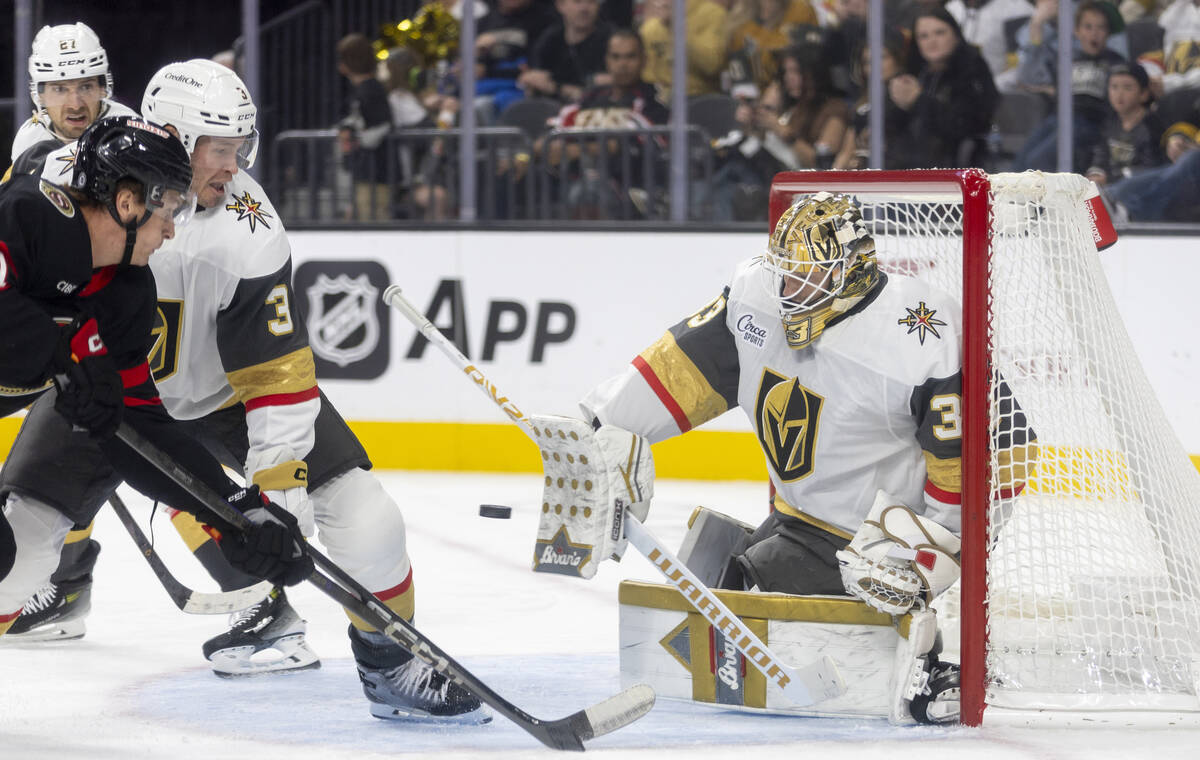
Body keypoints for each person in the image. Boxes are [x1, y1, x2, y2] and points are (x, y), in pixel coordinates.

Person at [10, 60, 488, 722]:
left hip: (214, 398)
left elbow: (275, 381)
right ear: (170, 137)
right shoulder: (70, 181)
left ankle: (393, 662)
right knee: (17, 548)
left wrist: (274, 503)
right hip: (100, 390)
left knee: (367, 517)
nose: (235, 168)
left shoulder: (250, 230)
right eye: (222, 150)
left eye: (241, 148)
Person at [574, 192, 1033, 723]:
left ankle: (925, 660)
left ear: (852, 270)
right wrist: (599, 427)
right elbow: (682, 368)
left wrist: (933, 555)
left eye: (806, 275)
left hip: (870, 546)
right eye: (784, 272)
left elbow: (1004, 448)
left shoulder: (923, 332)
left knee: (747, 601)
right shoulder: (756, 297)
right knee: (721, 576)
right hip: (792, 522)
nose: (788, 290)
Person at [0, 116, 313, 639]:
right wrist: (63, 348)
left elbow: (140, 427)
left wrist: (233, 510)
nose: (171, 228)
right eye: (168, 208)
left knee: (10, 564)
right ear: (128, 202)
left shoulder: (125, 297)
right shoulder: (32, 216)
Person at [1014, 0, 1126, 171]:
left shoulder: (1115, 62)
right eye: (1088, 27)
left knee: (1038, 161)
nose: (1094, 34)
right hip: (1057, 118)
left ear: (1108, 33)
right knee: (1021, 161)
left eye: (1100, 28)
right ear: (1077, 31)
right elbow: (1028, 78)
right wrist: (1037, 26)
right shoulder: (1067, 59)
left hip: (1090, 123)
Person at [8, 22, 137, 166]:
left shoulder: (130, 129)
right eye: (60, 90)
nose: (75, 105)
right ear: (40, 95)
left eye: (86, 87)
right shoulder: (30, 138)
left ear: (103, 88)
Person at [890, 6, 998, 168]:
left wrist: (918, 100)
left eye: (940, 33)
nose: (932, 41)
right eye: (923, 36)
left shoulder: (973, 68)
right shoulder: (917, 73)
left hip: (960, 166)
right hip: (912, 165)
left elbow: (966, 125)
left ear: (955, 34)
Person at [336, 33, 394, 221]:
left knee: (374, 220)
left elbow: (383, 126)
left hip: (376, 172)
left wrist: (356, 138)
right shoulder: (363, 89)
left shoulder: (372, 90)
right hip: (366, 170)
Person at [1085, 62, 1164, 186]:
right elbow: (1100, 155)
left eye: (1127, 88)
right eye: (1114, 87)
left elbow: (1151, 169)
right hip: (1111, 186)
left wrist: (1111, 178)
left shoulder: (1152, 125)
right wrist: (1096, 173)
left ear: (1144, 94)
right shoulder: (1110, 122)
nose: (1119, 94)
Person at [519, 0, 614, 103]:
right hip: (551, 109)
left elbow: (613, 82)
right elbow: (535, 77)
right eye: (577, 2)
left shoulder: (613, 40)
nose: (584, 9)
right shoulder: (549, 39)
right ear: (560, 5)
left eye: (591, 2)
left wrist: (556, 87)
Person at [774, 46, 851, 169]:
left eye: (796, 71)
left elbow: (823, 163)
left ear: (814, 74)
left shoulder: (835, 109)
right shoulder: (793, 107)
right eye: (786, 72)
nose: (788, 78)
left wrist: (782, 131)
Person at [639, 0, 730, 99]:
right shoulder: (651, 28)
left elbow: (712, 66)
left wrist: (677, 28)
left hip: (701, 96)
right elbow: (646, 74)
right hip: (659, 97)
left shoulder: (713, 14)